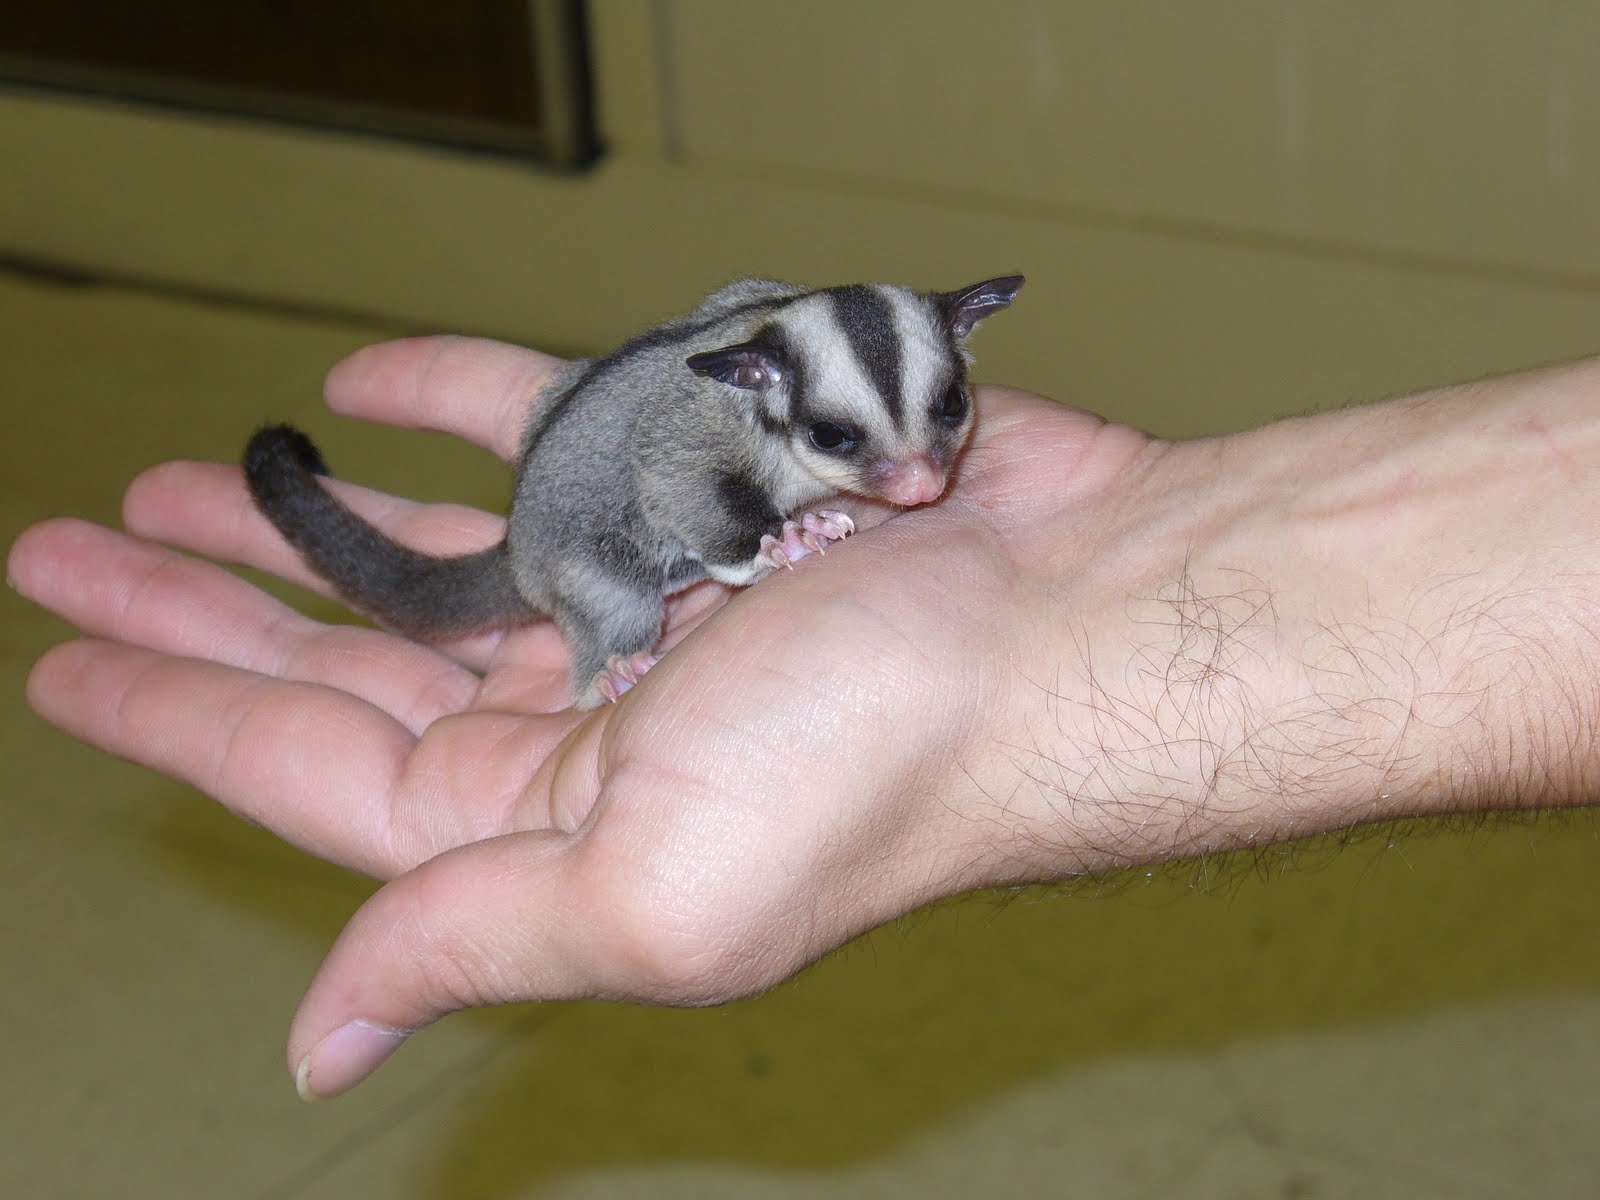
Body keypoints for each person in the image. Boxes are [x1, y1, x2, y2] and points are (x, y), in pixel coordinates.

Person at [10, 335, 1599, 1099]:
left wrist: (1100, 571)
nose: (924, 485)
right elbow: (694, 502)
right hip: (599, 557)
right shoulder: (718, 438)